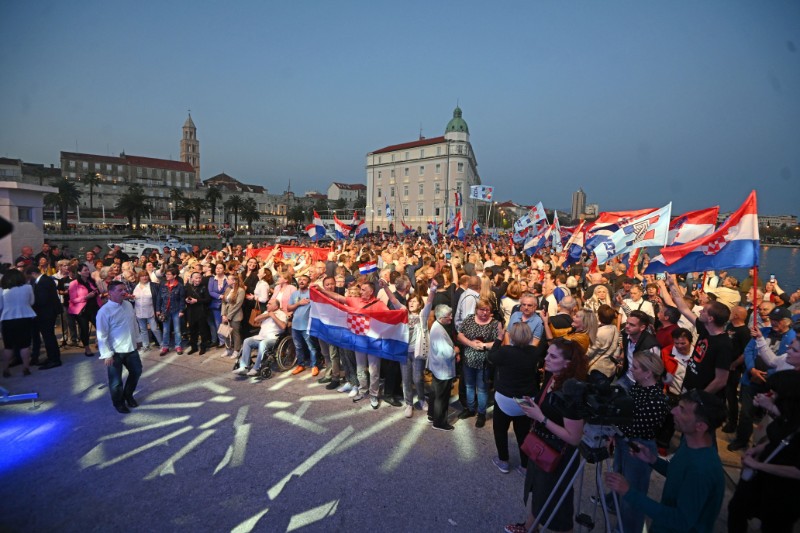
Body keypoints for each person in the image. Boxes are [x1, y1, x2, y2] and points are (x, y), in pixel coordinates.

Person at [605, 389, 727, 533]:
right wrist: (653, 460)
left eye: (681, 410)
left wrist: (628, 492)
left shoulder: (702, 469)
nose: (673, 411)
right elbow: (679, 475)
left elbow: (681, 520)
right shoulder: (689, 442)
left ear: (700, 426)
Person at [504, 337, 588, 533]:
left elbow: (574, 438)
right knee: (540, 491)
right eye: (547, 354)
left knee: (558, 499)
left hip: (558, 454)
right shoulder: (553, 376)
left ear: (568, 363)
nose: (546, 359)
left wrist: (540, 417)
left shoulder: (571, 391)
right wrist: (534, 404)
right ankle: (529, 527)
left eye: (552, 356)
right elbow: (550, 407)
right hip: (542, 446)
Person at [728, 370, 800, 532]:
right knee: (737, 508)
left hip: (784, 492)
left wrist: (758, 465)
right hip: (761, 479)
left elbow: (797, 471)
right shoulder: (789, 416)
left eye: (775, 393)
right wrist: (757, 449)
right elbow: (776, 439)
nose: (772, 396)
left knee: (773, 526)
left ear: (788, 397)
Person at [609, 351, 669, 533]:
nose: (631, 370)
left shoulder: (657, 400)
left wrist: (612, 423)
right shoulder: (638, 387)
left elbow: (635, 426)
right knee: (621, 487)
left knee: (633, 496)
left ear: (648, 372)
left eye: (635, 367)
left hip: (638, 447)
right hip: (624, 441)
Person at [488, 322, 542, 475]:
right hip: (526, 399)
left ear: (511, 335)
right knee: (524, 433)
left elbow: (491, 357)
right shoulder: (534, 352)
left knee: (500, 430)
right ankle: (525, 466)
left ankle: (503, 461)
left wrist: (498, 339)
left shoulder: (505, 352)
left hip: (505, 398)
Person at [667, 274, 733, 396]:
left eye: (704, 310)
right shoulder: (705, 328)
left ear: (710, 318)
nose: (700, 311)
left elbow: (721, 380)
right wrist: (672, 284)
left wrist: (698, 398)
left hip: (701, 398)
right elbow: (683, 309)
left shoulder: (724, 345)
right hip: (689, 388)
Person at [96, 281, 143, 414]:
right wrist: (106, 354)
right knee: (116, 381)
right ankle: (119, 403)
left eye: (124, 289)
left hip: (131, 348)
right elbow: (102, 335)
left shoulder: (128, 305)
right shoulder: (104, 312)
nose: (124, 292)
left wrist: (138, 339)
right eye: (119, 290)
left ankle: (128, 395)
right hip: (114, 352)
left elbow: (134, 323)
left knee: (137, 371)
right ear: (110, 293)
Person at [457, 297, 504, 428]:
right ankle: (471, 409)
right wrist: (471, 343)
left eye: (487, 310)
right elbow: (460, 335)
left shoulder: (495, 323)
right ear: (476, 310)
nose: (484, 312)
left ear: (491, 311)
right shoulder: (469, 319)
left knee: (482, 389)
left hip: (485, 362)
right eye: (481, 309)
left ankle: (481, 414)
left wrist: (484, 345)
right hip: (468, 359)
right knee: (469, 386)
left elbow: (499, 341)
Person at [233, 298, 287, 376]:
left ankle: (256, 368)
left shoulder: (282, 314)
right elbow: (256, 319)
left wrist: (273, 316)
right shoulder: (266, 312)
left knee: (263, 343)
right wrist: (268, 315)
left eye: (269, 304)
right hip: (261, 337)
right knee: (247, 341)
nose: (267, 305)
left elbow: (283, 326)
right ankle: (244, 367)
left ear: (276, 306)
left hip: (273, 339)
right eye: (267, 303)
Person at [426, 304, 457, 431]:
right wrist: (456, 350)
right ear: (441, 318)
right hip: (443, 368)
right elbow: (448, 353)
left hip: (437, 366)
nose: (451, 318)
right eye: (448, 316)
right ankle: (439, 423)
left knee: (435, 392)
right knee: (442, 397)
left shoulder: (436, 326)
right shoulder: (439, 331)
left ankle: (432, 415)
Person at [1, 269, 37, 377]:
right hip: (25, 317)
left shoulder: (2, 290)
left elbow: (0, 306)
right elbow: (32, 302)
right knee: (25, 345)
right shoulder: (28, 287)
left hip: (8, 319)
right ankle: (26, 368)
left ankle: (5, 369)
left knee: (8, 346)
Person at [25, 265, 62, 368]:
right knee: (48, 336)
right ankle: (51, 357)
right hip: (47, 312)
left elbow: (42, 299)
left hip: (47, 313)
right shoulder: (45, 280)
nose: (30, 279)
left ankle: (54, 359)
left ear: (33, 274)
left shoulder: (43, 281)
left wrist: (30, 302)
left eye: (30, 277)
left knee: (48, 336)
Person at [288, 275, 320, 376]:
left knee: (311, 347)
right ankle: (300, 365)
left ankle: (314, 365)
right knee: (298, 347)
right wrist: (298, 303)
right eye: (300, 280)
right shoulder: (294, 294)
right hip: (295, 325)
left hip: (307, 325)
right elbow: (289, 308)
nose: (301, 281)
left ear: (308, 282)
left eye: (304, 280)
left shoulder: (312, 294)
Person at [69, 263, 102, 357]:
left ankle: (102, 344)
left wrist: (96, 293)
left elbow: (97, 292)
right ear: (79, 272)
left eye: (88, 270)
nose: (88, 272)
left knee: (101, 327)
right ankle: (87, 348)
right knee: (84, 329)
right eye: (85, 270)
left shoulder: (91, 281)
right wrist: (86, 297)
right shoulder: (74, 283)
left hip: (94, 308)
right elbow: (73, 299)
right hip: (82, 310)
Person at [585, 304, 620, 379]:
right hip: (610, 368)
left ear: (599, 316)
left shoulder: (599, 333)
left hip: (597, 369)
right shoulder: (614, 328)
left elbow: (590, 352)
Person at [158, 266, 186, 355]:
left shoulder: (180, 286)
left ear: (174, 275)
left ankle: (178, 346)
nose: (167, 275)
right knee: (166, 330)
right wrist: (158, 309)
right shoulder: (163, 284)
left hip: (176, 310)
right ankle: (165, 346)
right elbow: (159, 297)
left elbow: (182, 299)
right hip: (165, 310)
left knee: (177, 329)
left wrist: (181, 310)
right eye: (166, 274)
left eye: (169, 274)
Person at [132, 270, 162, 350]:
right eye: (142, 276)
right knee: (143, 330)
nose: (144, 277)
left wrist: (158, 310)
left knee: (154, 329)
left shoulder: (153, 285)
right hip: (139, 312)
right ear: (139, 277)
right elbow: (132, 299)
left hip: (151, 311)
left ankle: (162, 344)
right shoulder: (135, 286)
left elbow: (158, 299)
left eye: (146, 275)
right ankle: (146, 345)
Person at [184, 271, 211, 355]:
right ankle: (194, 347)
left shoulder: (204, 287)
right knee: (192, 330)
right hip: (191, 311)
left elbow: (208, 299)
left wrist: (197, 300)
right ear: (191, 279)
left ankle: (203, 347)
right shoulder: (187, 287)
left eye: (199, 278)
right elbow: (183, 297)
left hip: (201, 311)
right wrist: (186, 300)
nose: (198, 279)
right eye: (196, 278)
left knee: (203, 330)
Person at [220, 272, 245, 358]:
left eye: (228, 279)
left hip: (235, 315)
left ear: (234, 281)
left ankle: (236, 350)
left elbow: (238, 305)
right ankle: (228, 349)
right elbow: (223, 302)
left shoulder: (241, 291)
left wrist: (229, 316)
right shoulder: (227, 289)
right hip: (226, 314)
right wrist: (223, 314)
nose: (226, 280)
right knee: (226, 332)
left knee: (235, 333)